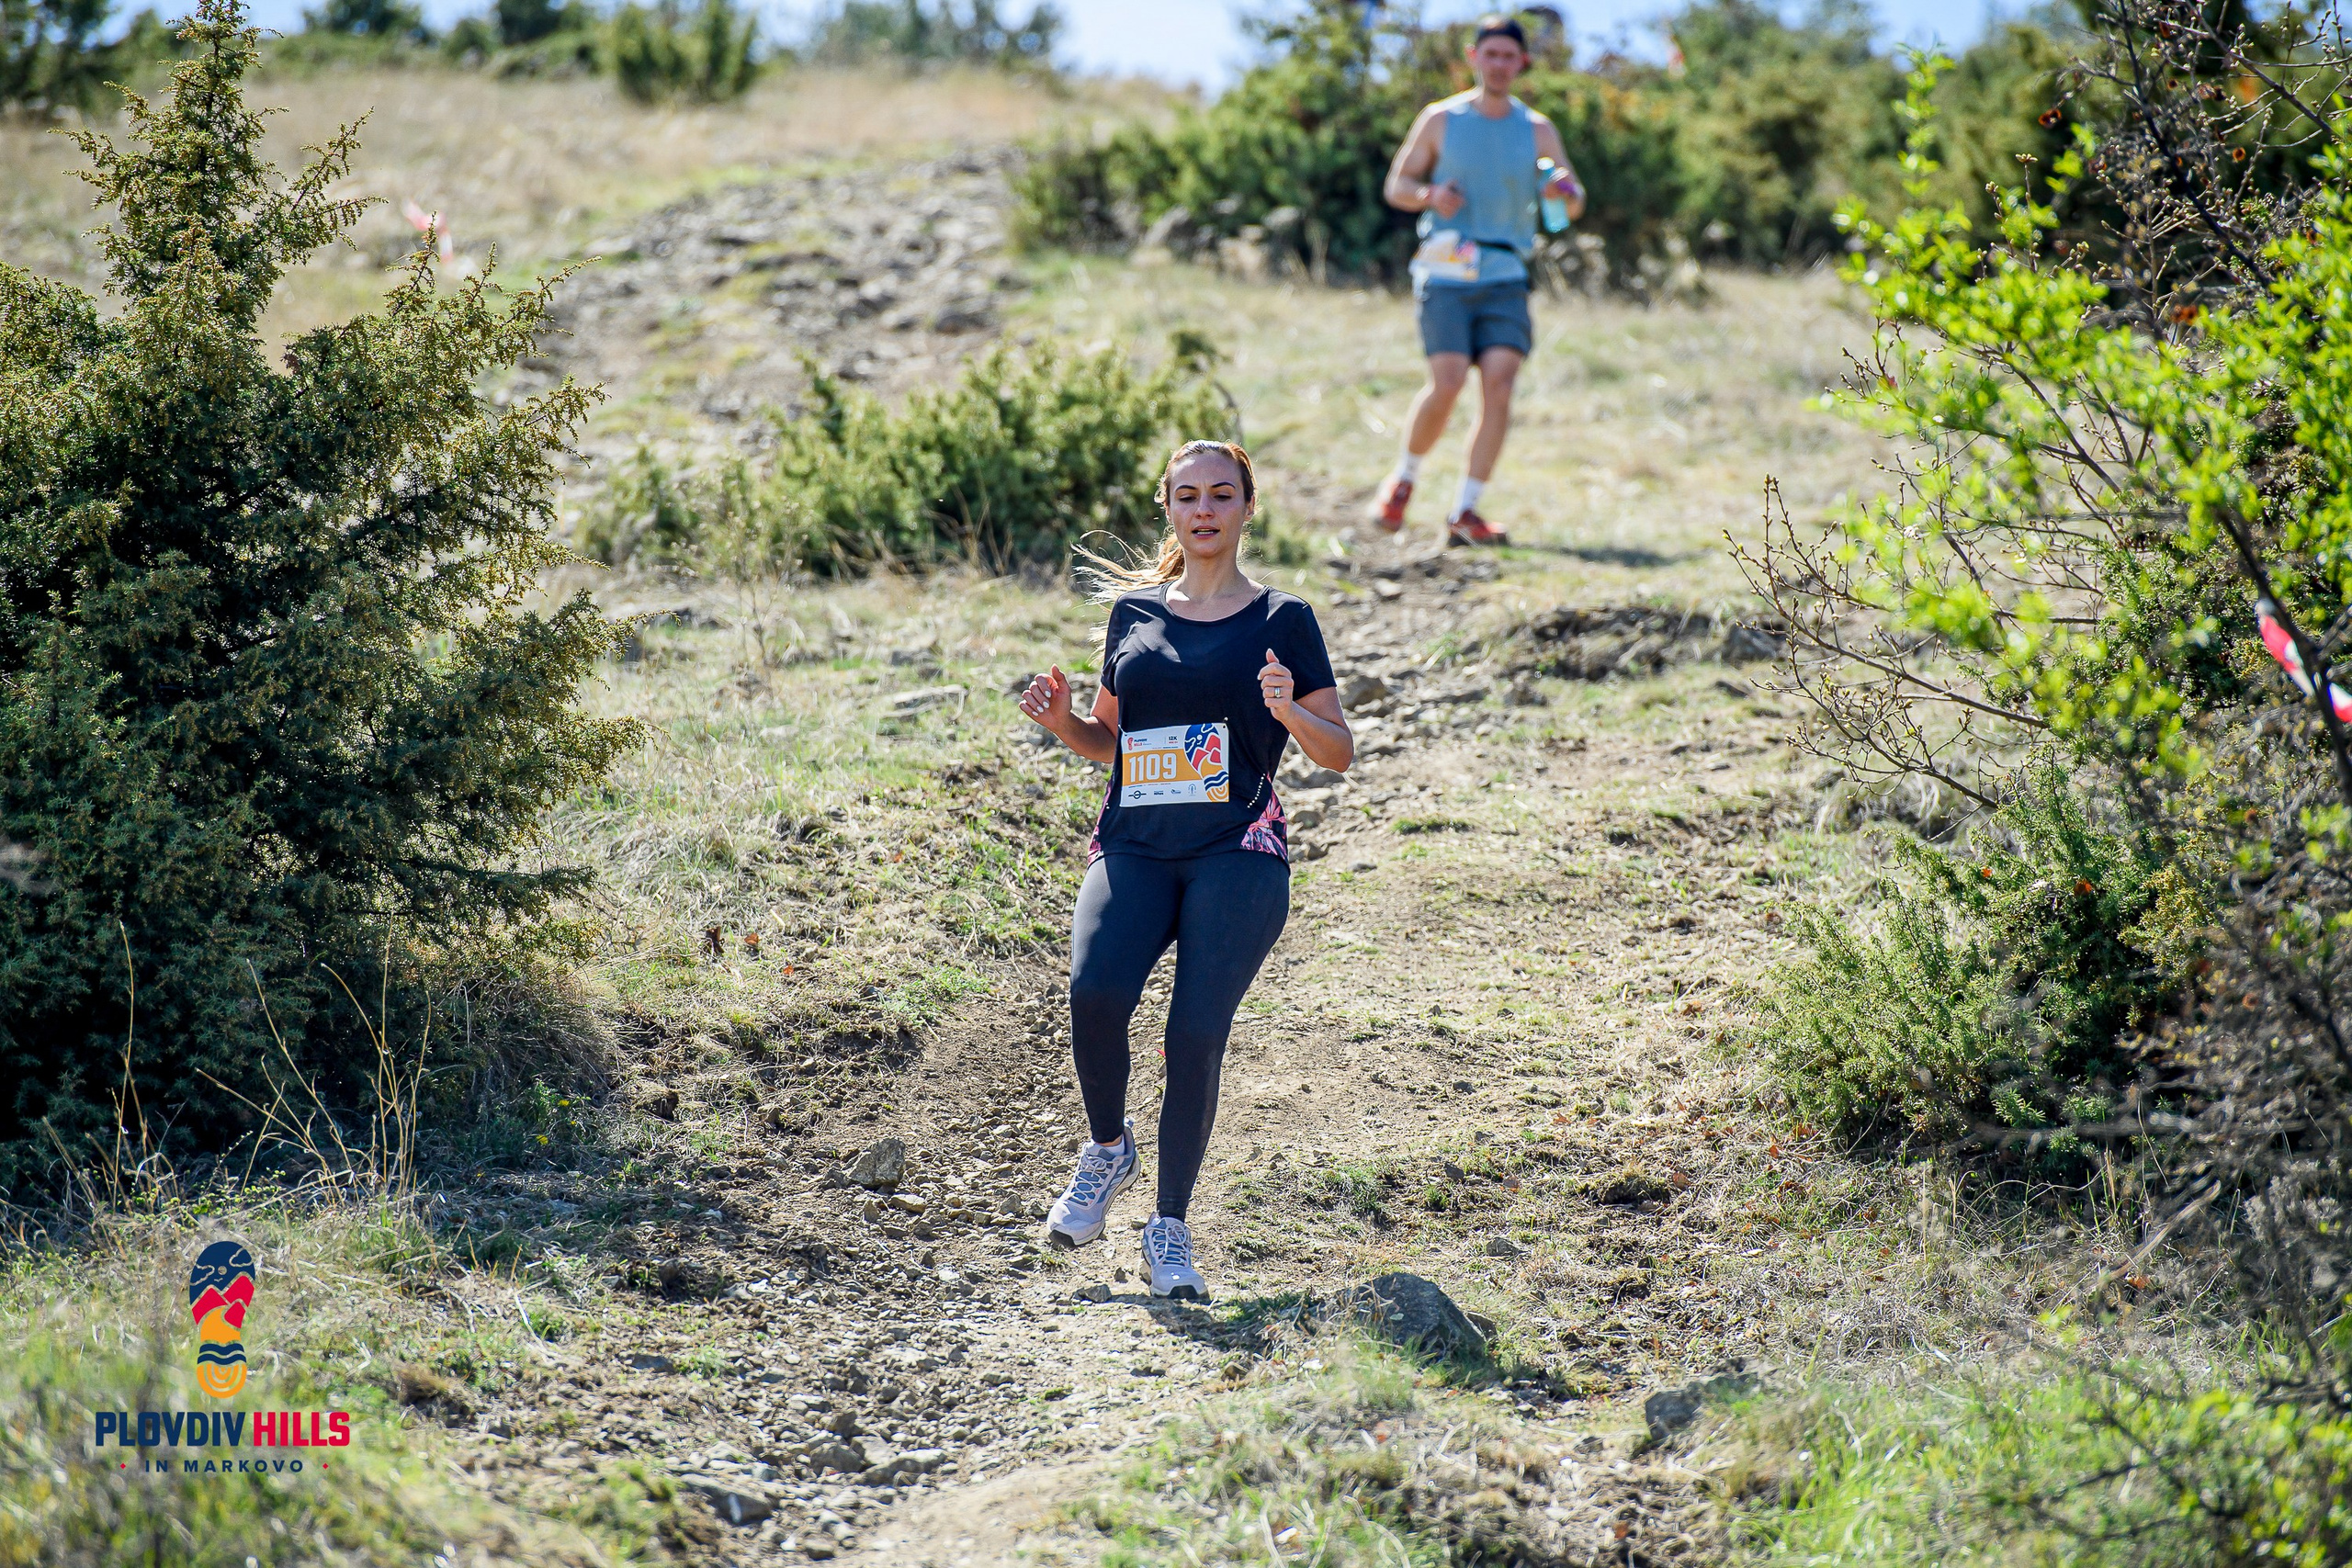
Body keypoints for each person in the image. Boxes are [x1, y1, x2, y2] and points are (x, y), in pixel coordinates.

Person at [1017, 440, 1353, 1300]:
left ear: (1247, 507)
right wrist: (1062, 721)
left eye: (1222, 494)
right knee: (1093, 992)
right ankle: (1107, 1151)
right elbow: (1109, 740)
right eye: (1189, 495)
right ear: (1168, 507)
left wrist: (1287, 711)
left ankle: (1169, 1226)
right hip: (1134, 841)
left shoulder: (1284, 619)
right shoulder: (1132, 616)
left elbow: (1338, 750)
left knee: (1192, 1034)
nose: (1205, 509)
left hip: (1235, 851)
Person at [1368, 14, 1586, 547]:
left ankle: (1465, 510)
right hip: (1445, 270)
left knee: (1500, 387)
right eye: (1490, 54)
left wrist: (1563, 192)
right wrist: (1429, 196)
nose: (1499, 64)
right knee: (1446, 385)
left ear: (1522, 63)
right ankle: (1403, 480)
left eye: (1509, 56)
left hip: (1507, 271)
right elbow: (1397, 184)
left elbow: (1570, 206)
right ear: (1474, 57)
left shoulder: (1537, 129)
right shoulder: (1441, 119)